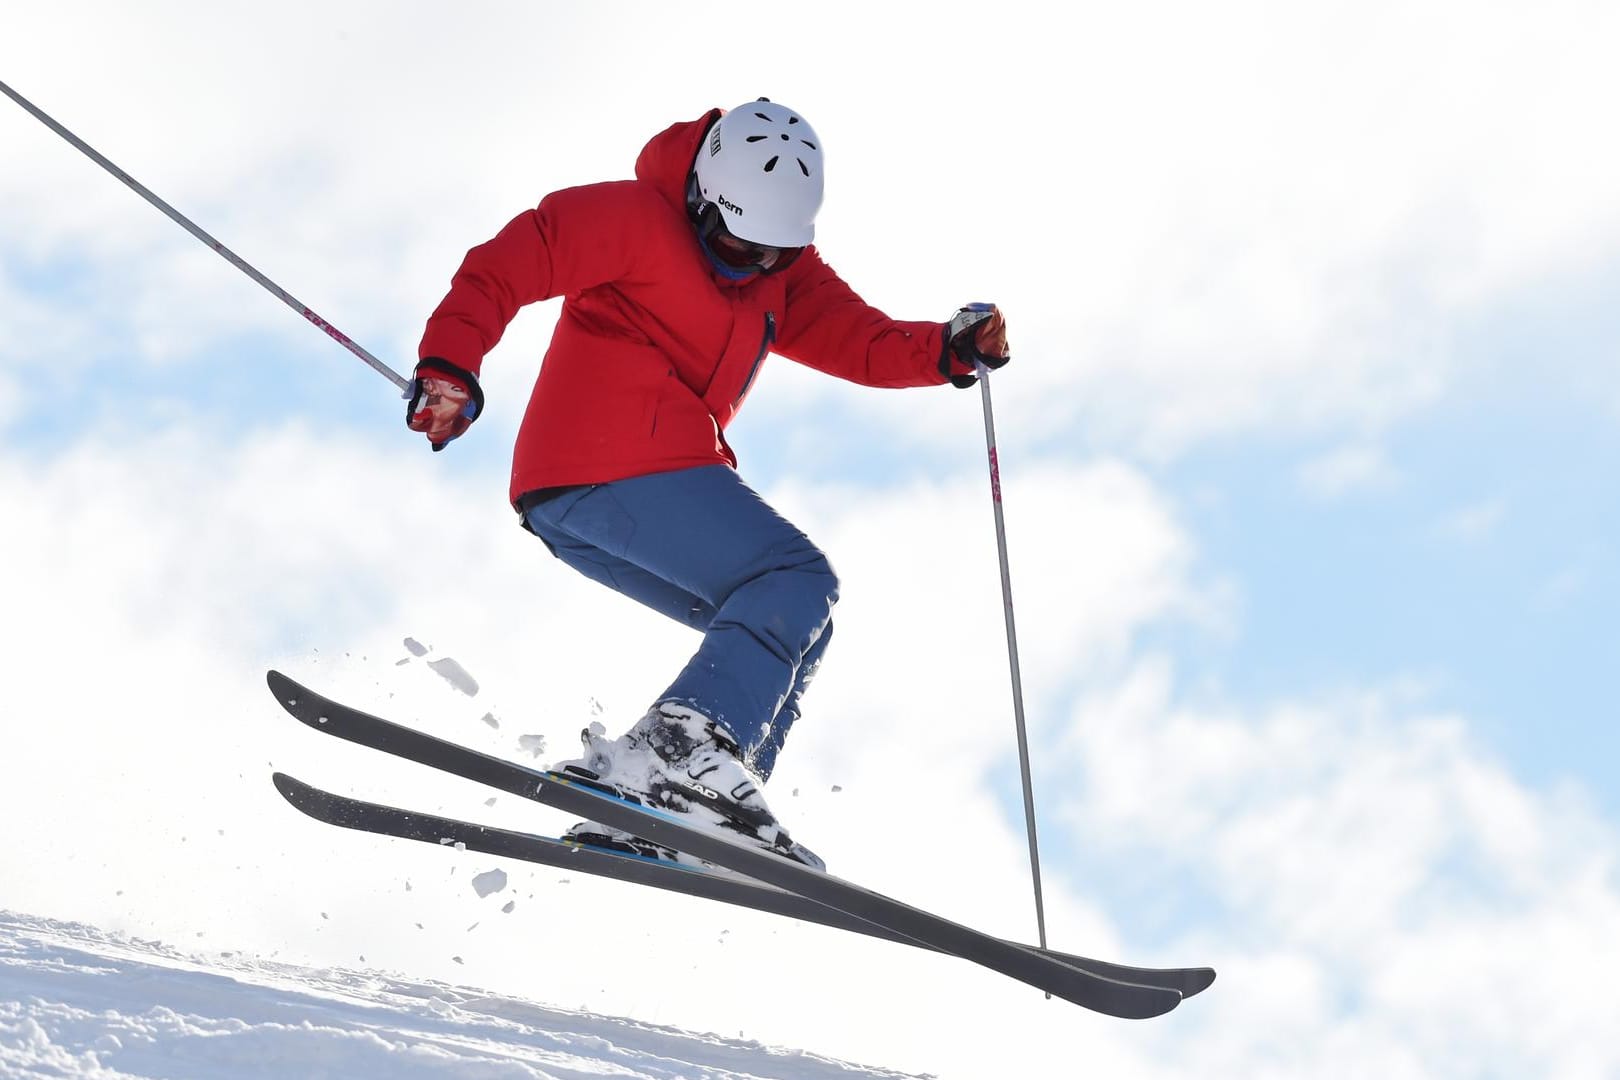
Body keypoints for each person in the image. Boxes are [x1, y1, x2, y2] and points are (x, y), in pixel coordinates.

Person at [407, 98, 1009, 869]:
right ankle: (680, 753)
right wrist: (450, 364)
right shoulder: (634, 218)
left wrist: (947, 350)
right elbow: (511, 261)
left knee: (798, 623)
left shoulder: (779, 274)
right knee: (794, 577)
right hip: (607, 458)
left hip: (602, 497)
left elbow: (860, 339)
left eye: (769, 252)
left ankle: (688, 805)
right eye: (731, 241)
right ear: (700, 201)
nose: (748, 264)